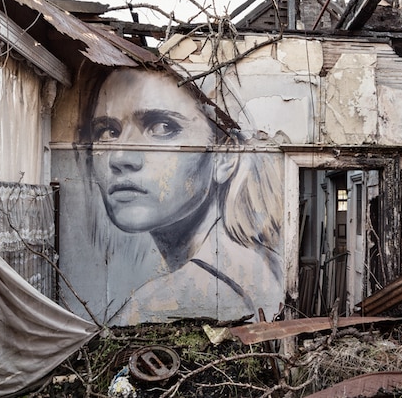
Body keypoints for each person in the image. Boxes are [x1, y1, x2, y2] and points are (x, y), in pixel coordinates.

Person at [77, 65, 284, 324]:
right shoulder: (257, 262)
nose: (119, 157)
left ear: (225, 156)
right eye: (108, 131)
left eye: (163, 127)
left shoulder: (154, 306)